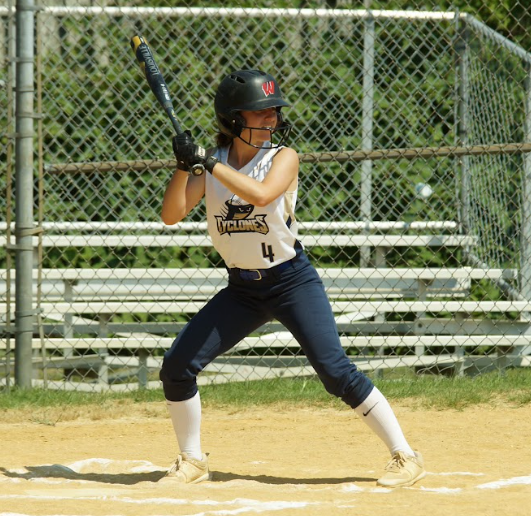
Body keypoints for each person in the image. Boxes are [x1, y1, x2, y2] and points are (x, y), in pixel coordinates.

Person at [160, 69, 426, 488]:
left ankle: (405, 456)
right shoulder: (211, 164)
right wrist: (183, 166)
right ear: (233, 119)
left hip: (291, 281)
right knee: (177, 367)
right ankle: (192, 460)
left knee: (334, 371)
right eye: (261, 113)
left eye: (274, 113)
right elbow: (171, 214)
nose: (273, 120)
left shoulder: (283, 156)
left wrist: (207, 161)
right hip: (242, 290)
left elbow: (262, 195)